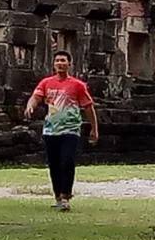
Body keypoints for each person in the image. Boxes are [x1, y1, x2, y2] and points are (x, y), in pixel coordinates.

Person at [25, 49, 99, 211]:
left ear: (69, 64)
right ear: (53, 64)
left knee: (67, 161)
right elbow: (36, 97)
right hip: (51, 130)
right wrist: (30, 106)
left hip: (70, 129)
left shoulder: (77, 85)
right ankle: (58, 196)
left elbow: (88, 108)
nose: (60, 63)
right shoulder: (46, 83)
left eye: (63, 61)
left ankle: (66, 196)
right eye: (57, 60)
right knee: (54, 164)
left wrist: (94, 129)